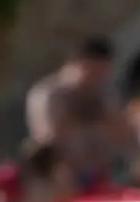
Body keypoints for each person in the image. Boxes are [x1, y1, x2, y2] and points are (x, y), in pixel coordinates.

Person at [26, 36, 125, 192]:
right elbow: (48, 138)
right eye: (92, 72)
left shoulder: (103, 95)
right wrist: (77, 110)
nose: (96, 79)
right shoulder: (48, 94)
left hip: (98, 176)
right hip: (59, 179)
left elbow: (120, 136)